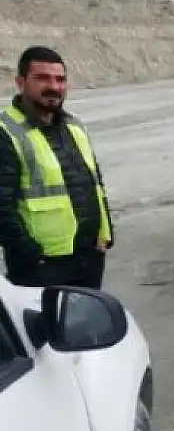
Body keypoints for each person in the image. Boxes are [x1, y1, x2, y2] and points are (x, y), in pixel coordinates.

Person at [0, 46, 114, 289]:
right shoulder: (6, 131)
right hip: (42, 267)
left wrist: (106, 233)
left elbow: (95, 181)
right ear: (21, 82)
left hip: (88, 257)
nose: (54, 86)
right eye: (42, 78)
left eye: (60, 79)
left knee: (82, 325)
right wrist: (31, 255)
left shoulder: (74, 125)